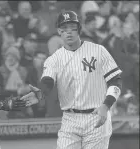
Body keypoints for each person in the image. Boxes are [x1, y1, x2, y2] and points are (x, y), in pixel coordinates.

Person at [21, 11, 123, 149]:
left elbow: (115, 81)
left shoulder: (98, 51)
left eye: (72, 28)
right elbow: (47, 81)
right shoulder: (54, 58)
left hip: (96, 115)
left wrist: (106, 105)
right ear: (59, 31)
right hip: (70, 118)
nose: (68, 32)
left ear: (79, 29)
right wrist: (40, 92)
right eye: (64, 29)